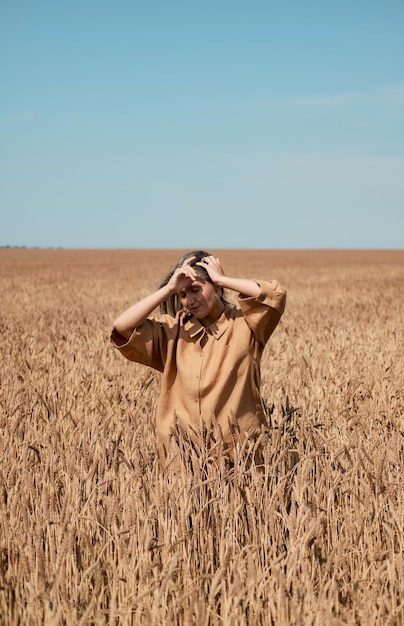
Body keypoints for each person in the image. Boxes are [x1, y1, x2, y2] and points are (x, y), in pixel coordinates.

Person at [111, 250, 286, 467]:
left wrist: (222, 278)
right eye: (183, 294)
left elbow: (275, 294)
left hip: (239, 454)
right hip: (182, 456)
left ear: (216, 287)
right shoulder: (171, 332)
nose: (190, 300)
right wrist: (168, 289)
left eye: (196, 289)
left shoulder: (247, 325)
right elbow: (122, 327)